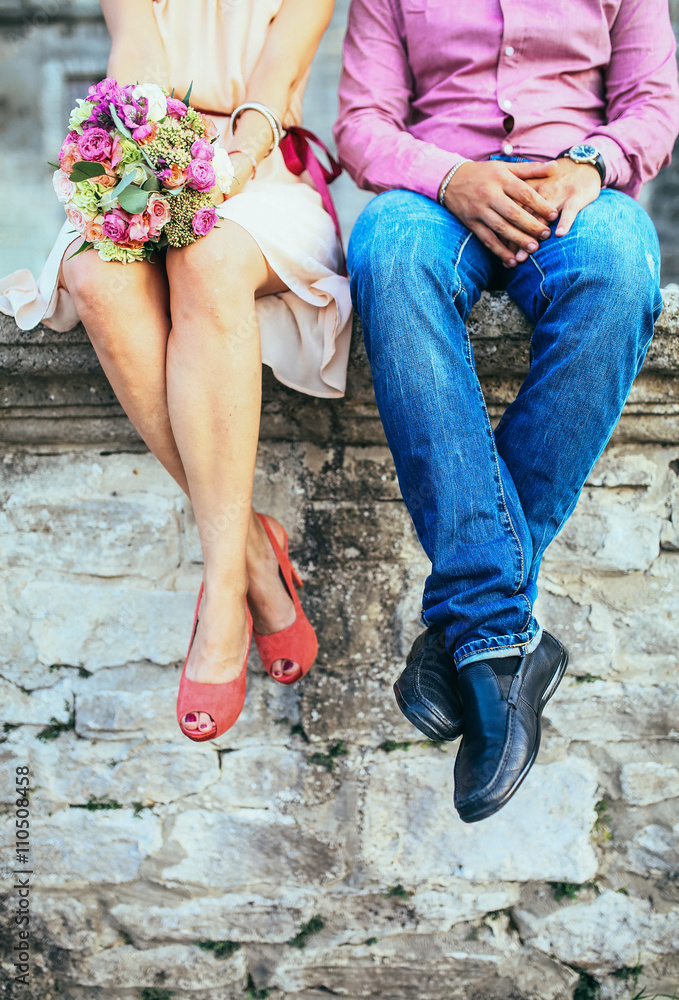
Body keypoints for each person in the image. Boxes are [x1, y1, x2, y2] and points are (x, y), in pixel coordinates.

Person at [334, 0, 679, 822]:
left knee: (618, 279)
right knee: (385, 251)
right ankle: (500, 639)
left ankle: (472, 620)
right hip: (434, 193)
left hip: (574, 196)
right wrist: (451, 176)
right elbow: (360, 124)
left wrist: (588, 163)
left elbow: (651, 104)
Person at [0, 0, 352, 742]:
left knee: (209, 253)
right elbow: (137, 60)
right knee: (97, 275)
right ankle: (254, 551)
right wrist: (147, 152)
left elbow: (273, 84)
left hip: (261, 178)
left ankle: (224, 595)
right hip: (150, 161)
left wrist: (231, 167)